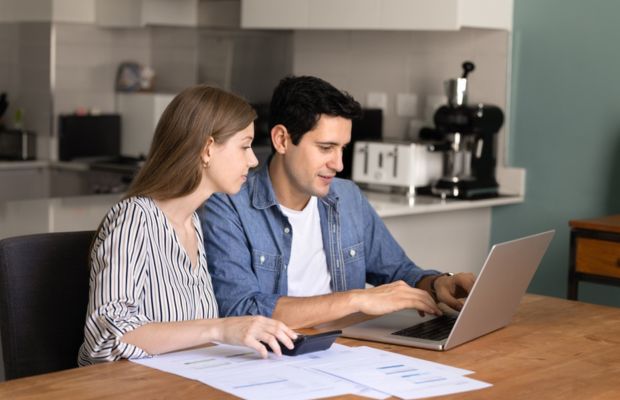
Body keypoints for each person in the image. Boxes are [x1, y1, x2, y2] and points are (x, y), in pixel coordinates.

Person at [200, 76, 475, 329]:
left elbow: (399, 272)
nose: (339, 164)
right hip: (271, 362)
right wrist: (356, 300)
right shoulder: (227, 207)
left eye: (342, 148)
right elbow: (240, 310)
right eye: (325, 148)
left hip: (345, 353)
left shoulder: (347, 197)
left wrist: (439, 283)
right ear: (282, 140)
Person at [78, 85, 297, 366]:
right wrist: (220, 328)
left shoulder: (192, 222)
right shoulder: (134, 219)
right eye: (244, 146)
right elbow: (106, 339)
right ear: (207, 149)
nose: (253, 160)